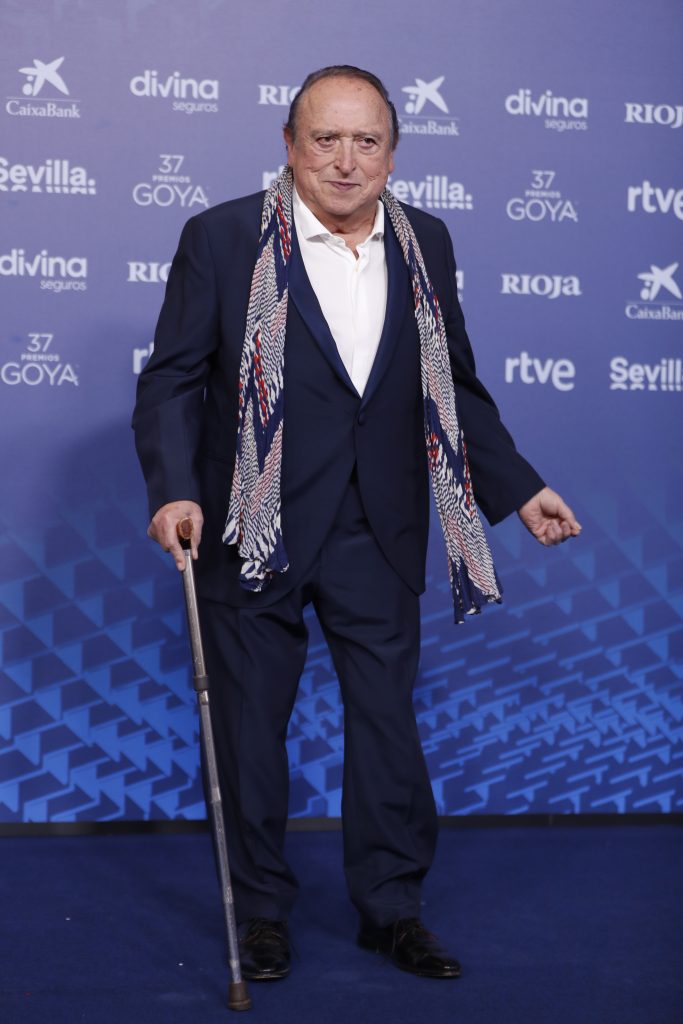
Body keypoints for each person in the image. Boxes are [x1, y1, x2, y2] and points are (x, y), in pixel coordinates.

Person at [133, 65, 581, 982]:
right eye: (325, 139)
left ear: (392, 153)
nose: (345, 161)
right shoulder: (222, 237)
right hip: (252, 526)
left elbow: (451, 386)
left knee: (385, 727)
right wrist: (173, 489)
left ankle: (391, 910)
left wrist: (516, 488)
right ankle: (262, 916)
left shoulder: (426, 242)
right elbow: (173, 378)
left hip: (377, 526)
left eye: (365, 141)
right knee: (249, 732)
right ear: (289, 145)